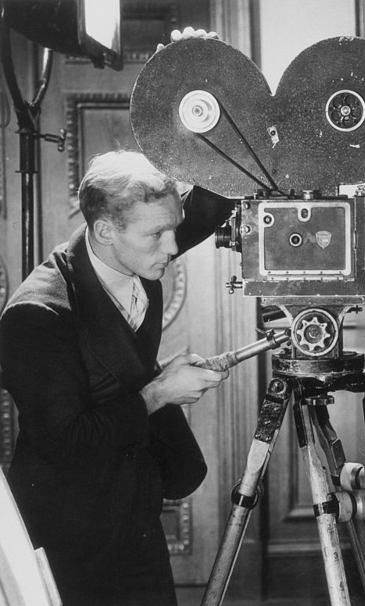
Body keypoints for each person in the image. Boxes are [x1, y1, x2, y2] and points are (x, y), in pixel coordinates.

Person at [0, 36, 233, 601]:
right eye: (158, 235)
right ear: (105, 230)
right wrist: (159, 391)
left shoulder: (141, 244)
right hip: (71, 532)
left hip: (133, 509)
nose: (173, 248)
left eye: (173, 230)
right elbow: (66, 441)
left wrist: (203, 71)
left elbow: (221, 190)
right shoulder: (36, 314)